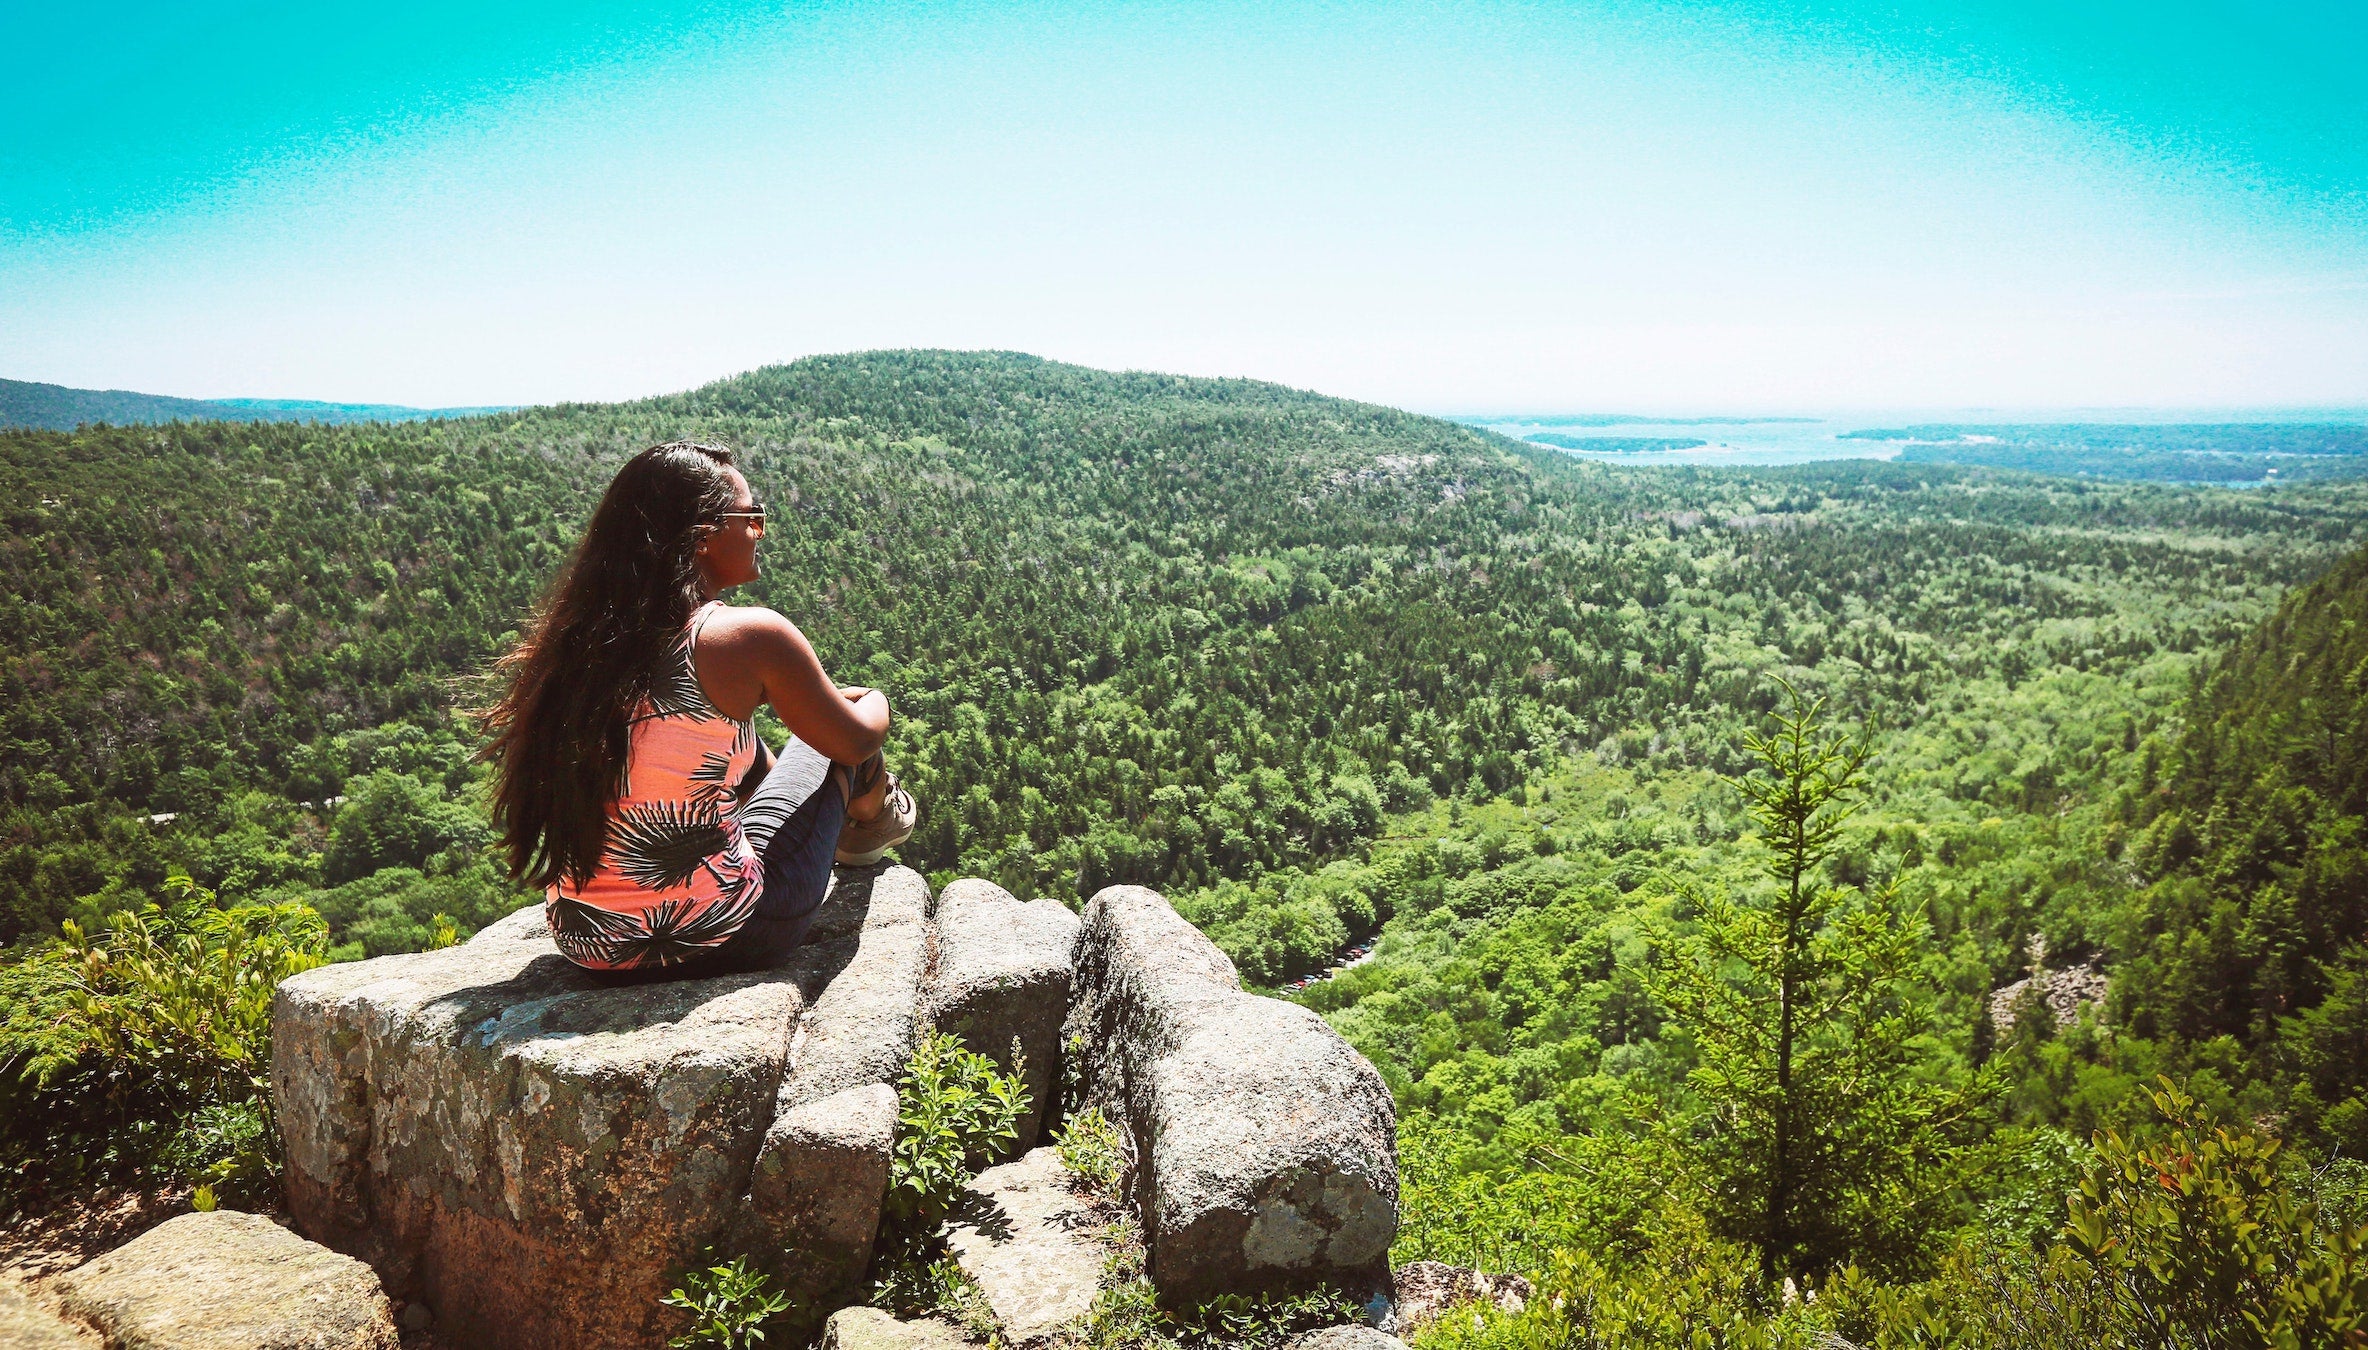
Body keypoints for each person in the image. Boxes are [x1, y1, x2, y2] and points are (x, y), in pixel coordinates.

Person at [479, 440, 916, 976]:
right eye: (751, 518)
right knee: (835, 724)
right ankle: (872, 824)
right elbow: (854, 740)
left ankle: (858, 826)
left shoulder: (578, 650)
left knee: (747, 746)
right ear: (704, 534)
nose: (759, 531)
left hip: (589, 943)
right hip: (728, 932)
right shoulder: (746, 637)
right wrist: (875, 701)